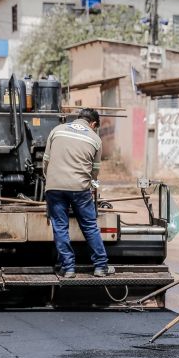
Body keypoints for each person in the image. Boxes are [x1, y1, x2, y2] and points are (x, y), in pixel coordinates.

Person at [43, 108, 109, 278]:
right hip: (80, 189)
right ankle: (100, 267)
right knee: (89, 226)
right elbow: (95, 171)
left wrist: (51, 179)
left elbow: (46, 161)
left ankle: (69, 268)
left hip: (54, 187)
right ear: (93, 124)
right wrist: (90, 183)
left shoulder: (57, 130)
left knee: (60, 227)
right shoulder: (95, 139)